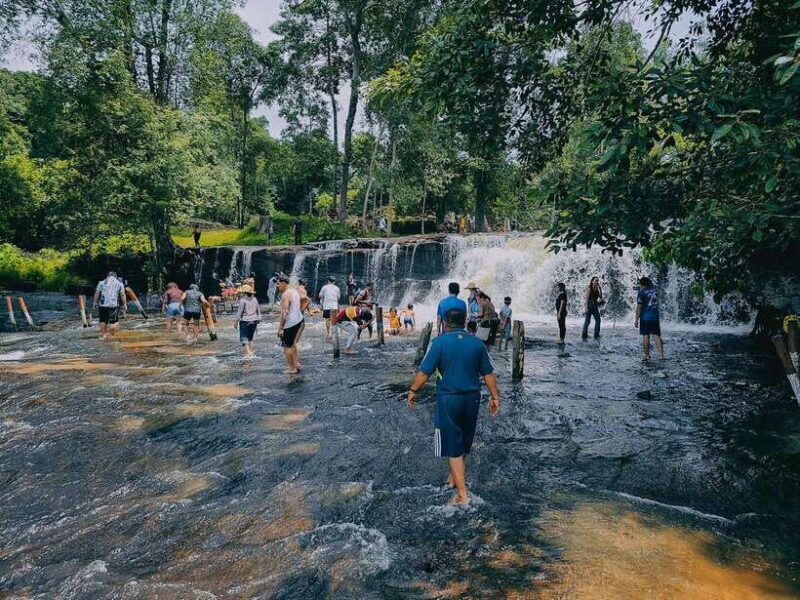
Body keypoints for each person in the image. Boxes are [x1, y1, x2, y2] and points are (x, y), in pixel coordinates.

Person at [407, 308, 500, 505]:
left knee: (451, 445)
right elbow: (488, 374)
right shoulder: (477, 344)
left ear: (445, 323)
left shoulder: (439, 343)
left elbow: (425, 372)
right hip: (472, 398)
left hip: (449, 398)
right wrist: (495, 398)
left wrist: (413, 391)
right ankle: (452, 479)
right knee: (464, 441)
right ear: (465, 321)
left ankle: (462, 494)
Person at [276, 275, 304, 374]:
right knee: (292, 344)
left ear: (284, 283)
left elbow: (285, 313)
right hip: (299, 320)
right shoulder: (294, 292)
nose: (277, 286)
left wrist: (280, 328)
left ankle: (292, 368)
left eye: (278, 283)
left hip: (290, 323)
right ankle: (296, 363)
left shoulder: (285, 295)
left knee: (286, 346)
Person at [635, 277, 665, 360]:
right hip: (655, 316)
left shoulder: (642, 293)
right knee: (656, 335)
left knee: (645, 335)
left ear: (642, 284)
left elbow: (639, 308)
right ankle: (661, 355)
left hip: (645, 317)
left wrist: (636, 320)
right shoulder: (655, 291)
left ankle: (646, 355)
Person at [93, 271, 127, 340]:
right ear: (115, 277)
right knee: (113, 321)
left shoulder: (101, 282)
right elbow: (122, 294)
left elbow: (97, 293)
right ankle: (112, 336)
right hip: (113, 305)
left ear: (107, 276)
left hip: (102, 305)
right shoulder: (119, 283)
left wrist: (95, 302)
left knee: (103, 320)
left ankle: (103, 336)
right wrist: (124, 304)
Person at [234, 284, 261, 357]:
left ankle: (248, 353)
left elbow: (240, 313)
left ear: (244, 292)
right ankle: (250, 351)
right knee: (251, 338)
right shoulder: (255, 299)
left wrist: (236, 322)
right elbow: (258, 310)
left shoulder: (243, 300)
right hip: (254, 320)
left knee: (244, 337)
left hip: (245, 321)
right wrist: (259, 318)